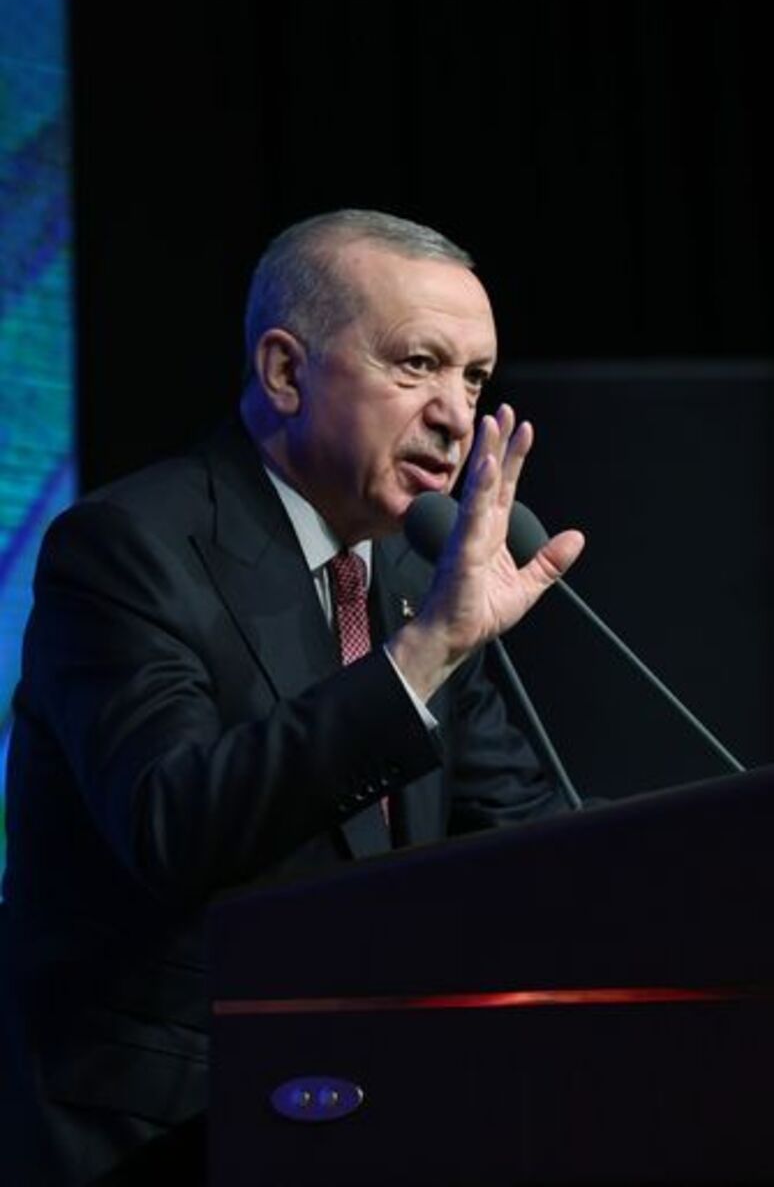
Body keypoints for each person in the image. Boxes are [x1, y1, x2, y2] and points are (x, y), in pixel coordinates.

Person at [0, 209, 585, 1185]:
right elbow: (174, 823)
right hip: (159, 1135)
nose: (455, 415)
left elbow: (523, 832)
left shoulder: (415, 574)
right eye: (418, 365)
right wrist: (422, 655)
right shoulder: (126, 549)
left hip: (368, 1110)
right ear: (283, 372)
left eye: (474, 378)